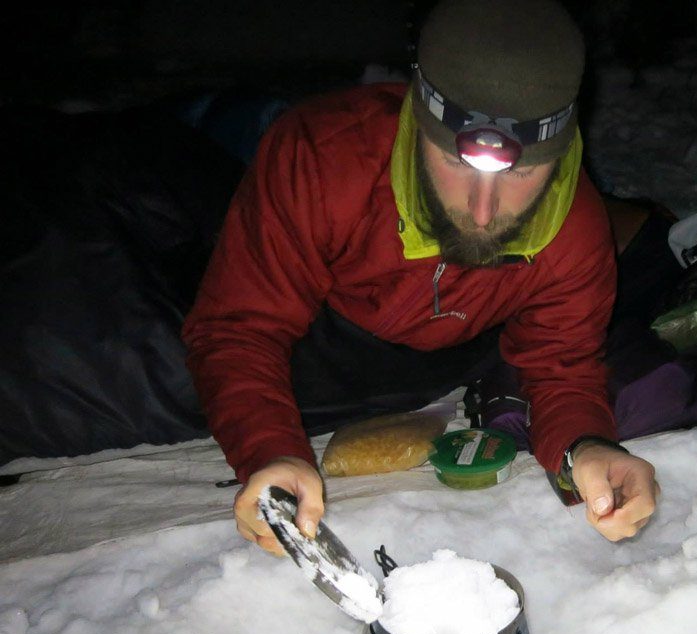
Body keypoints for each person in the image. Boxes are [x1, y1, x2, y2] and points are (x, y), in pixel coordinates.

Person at [182, 0, 658, 554]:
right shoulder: (324, 158)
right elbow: (239, 329)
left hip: (445, 354)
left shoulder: (574, 228)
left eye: (522, 171)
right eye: (458, 163)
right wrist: (272, 451)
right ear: (419, 127)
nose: (483, 214)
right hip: (317, 334)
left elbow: (562, 367)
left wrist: (587, 447)